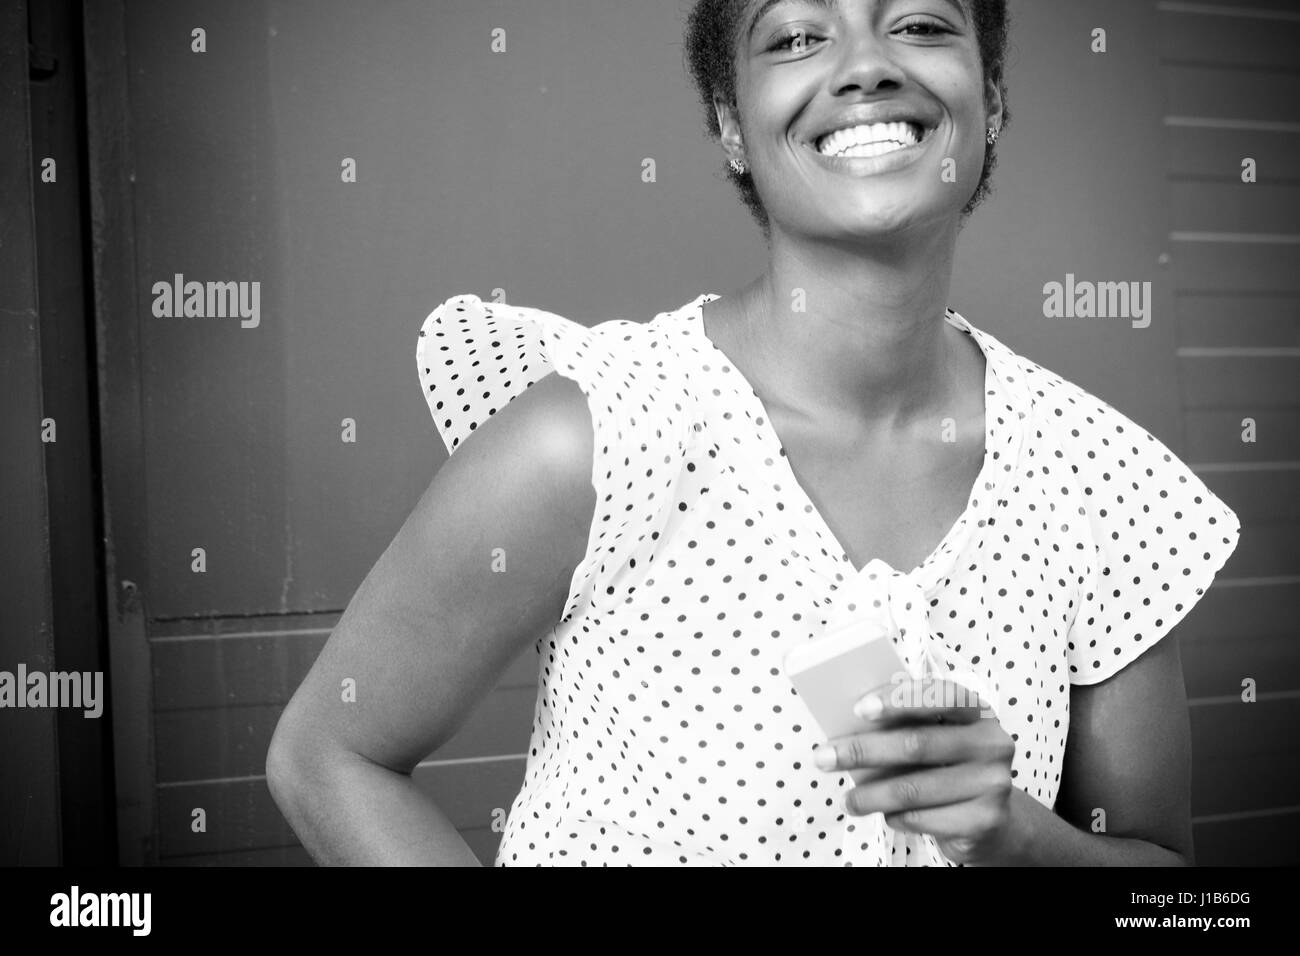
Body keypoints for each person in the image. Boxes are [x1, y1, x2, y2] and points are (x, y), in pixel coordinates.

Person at [267, 0, 1240, 866]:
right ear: (731, 125)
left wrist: (1014, 835)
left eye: (920, 23)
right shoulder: (601, 433)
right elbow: (328, 754)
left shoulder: (1097, 479)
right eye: (796, 35)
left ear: (990, 98)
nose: (864, 63)